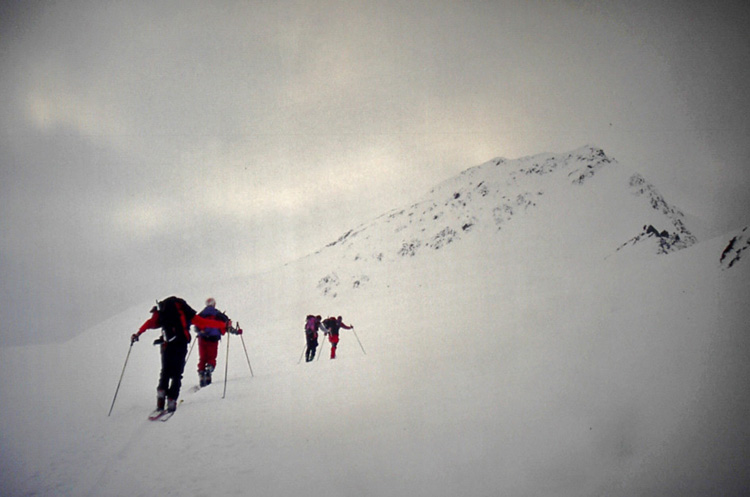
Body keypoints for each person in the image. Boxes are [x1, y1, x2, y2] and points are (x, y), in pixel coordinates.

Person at [131, 296, 228, 412]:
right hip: (181, 343)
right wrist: (223, 325)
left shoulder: (164, 311)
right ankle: (172, 400)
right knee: (177, 374)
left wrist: (138, 333)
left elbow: (150, 323)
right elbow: (202, 322)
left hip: (167, 344)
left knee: (165, 371)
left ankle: (161, 394)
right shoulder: (184, 311)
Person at [195, 297, 230, 387]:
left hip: (202, 338)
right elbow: (227, 322)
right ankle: (209, 372)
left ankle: (201, 374)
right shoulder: (218, 314)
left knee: (202, 357)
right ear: (214, 304)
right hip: (213, 338)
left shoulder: (201, 314)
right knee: (211, 357)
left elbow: (196, 323)